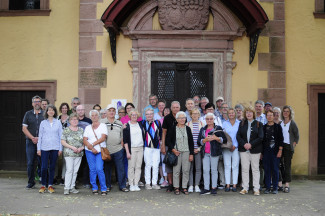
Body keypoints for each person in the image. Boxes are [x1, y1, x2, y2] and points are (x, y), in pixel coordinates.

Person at [236, 106, 264, 196]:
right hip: (243, 150)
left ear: (253, 114)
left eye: (250, 112)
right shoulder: (241, 124)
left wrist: (251, 144)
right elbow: (238, 136)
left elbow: (261, 137)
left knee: (255, 169)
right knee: (244, 169)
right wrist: (244, 144)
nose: (248, 114)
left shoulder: (259, 124)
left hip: (255, 150)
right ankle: (245, 188)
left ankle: (256, 188)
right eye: (247, 112)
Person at [198, 113, 227, 196]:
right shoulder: (203, 129)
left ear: (214, 119)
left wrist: (216, 138)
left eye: (211, 119)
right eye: (207, 119)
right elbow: (198, 142)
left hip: (214, 152)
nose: (209, 120)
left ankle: (214, 188)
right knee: (206, 170)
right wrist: (205, 140)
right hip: (205, 153)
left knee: (214, 170)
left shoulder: (218, 128)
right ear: (205, 120)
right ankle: (206, 188)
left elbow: (224, 140)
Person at [101, 104, 128, 192]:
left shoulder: (119, 123)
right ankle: (107, 186)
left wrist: (121, 146)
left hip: (118, 149)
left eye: (113, 111)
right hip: (106, 150)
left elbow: (122, 136)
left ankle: (122, 186)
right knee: (107, 169)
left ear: (115, 112)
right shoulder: (102, 122)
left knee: (120, 168)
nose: (112, 112)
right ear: (107, 112)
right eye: (110, 110)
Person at [37, 104, 63, 193]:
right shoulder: (43, 123)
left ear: (54, 112)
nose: (51, 111)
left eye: (52, 110)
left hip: (55, 147)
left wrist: (60, 148)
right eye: (49, 110)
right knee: (44, 167)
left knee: (52, 167)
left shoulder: (58, 122)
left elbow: (61, 136)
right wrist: (38, 149)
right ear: (46, 112)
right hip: (44, 147)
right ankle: (43, 185)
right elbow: (40, 136)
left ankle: (50, 185)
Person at [167, 111, 194, 195]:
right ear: (177, 119)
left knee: (186, 170)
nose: (182, 119)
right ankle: (176, 187)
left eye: (184, 118)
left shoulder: (188, 128)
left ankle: (184, 187)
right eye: (180, 118)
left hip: (186, 152)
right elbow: (168, 141)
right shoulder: (173, 128)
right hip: (177, 152)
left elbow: (191, 142)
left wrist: (191, 154)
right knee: (176, 171)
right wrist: (173, 149)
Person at [83, 110, 108, 195]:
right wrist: (91, 148)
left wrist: (93, 144)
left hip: (100, 151)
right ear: (90, 117)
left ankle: (104, 188)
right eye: (92, 115)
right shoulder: (87, 127)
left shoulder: (103, 126)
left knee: (99, 169)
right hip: (89, 151)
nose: (94, 117)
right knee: (92, 170)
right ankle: (94, 187)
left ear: (98, 116)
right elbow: (84, 140)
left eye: (96, 115)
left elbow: (103, 138)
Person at [22, 95, 44, 189]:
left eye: (38, 101)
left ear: (41, 103)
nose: (37, 103)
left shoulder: (45, 114)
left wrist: (39, 138)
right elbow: (24, 128)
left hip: (42, 142)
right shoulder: (28, 114)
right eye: (35, 101)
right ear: (32, 104)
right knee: (31, 162)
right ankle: (31, 182)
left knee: (43, 162)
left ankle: (44, 181)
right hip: (30, 142)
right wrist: (32, 138)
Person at [61, 113, 84, 195]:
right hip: (69, 153)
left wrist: (81, 148)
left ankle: (72, 187)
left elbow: (85, 142)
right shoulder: (66, 130)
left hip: (79, 154)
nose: (75, 121)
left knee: (75, 171)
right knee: (69, 170)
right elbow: (63, 142)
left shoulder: (81, 130)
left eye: (76, 119)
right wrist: (72, 147)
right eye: (73, 119)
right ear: (70, 121)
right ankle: (66, 188)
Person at [262, 110, 283, 194]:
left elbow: (281, 139)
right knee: (267, 170)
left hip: (275, 151)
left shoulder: (278, 127)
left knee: (275, 169)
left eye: (271, 115)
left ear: (274, 116)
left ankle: (275, 187)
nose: (269, 117)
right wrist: (261, 152)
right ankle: (267, 187)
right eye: (268, 115)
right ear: (266, 116)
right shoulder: (263, 127)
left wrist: (280, 150)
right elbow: (262, 141)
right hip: (266, 151)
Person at [123, 109, 145, 192]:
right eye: (132, 115)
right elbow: (125, 141)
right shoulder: (127, 126)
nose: (134, 116)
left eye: (135, 115)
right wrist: (127, 152)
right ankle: (131, 184)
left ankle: (136, 183)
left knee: (138, 167)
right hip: (132, 148)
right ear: (130, 116)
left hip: (140, 148)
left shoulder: (140, 124)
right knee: (131, 167)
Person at [161, 101, 180, 192]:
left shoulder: (182, 116)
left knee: (178, 165)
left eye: (177, 107)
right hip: (169, 144)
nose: (175, 109)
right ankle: (170, 184)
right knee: (169, 165)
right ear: (171, 108)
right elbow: (164, 132)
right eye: (174, 107)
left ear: (179, 108)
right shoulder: (167, 118)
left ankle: (177, 185)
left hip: (180, 145)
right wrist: (163, 145)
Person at [142, 108, 162, 190]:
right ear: (145, 115)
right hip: (147, 147)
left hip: (156, 147)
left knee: (156, 165)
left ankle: (154, 183)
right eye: (147, 114)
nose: (149, 115)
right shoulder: (142, 123)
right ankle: (147, 183)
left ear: (153, 115)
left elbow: (160, 133)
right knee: (148, 164)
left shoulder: (157, 122)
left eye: (151, 114)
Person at [280, 105, 299, 193]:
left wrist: (294, 144)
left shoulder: (292, 123)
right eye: (284, 111)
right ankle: (280, 183)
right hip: (280, 146)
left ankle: (287, 185)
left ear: (290, 113)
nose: (285, 113)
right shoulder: (280, 123)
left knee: (287, 165)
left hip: (288, 147)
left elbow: (296, 136)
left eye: (287, 111)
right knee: (279, 165)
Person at [186, 108, 204, 193]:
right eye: (193, 113)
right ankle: (190, 185)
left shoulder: (202, 124)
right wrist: (191, 149)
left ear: (199, 115)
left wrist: (198, 148)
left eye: (196, 113)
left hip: (199, 150)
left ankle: (196, 185)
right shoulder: (187, 124)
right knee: (190, 168)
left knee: (198, 168)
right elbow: (186, 139)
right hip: (190, 150)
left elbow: (204, 139)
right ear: (190, 115)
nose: (195, 115)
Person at [223, 108, 240, 192]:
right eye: (229, 113)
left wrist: (235, 145)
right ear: (227, 114)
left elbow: (240, 136)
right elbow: (223, 136)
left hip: (236, 148)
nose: (231, 114)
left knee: (235, 166)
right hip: (227, 148)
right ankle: (227, 184)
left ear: (235, 113)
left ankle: (234, 185)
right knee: (227, 166)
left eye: (233, 113)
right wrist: (228, 146)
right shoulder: (224, 123)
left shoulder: (239, 123)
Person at [76, 104, 92, 189]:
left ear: (84, 111)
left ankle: (86, 182)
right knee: (76, 164)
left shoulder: (89, 121)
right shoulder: (73, 120)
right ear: (76, 111)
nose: (80, 111)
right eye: (79, 110)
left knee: (86, 164)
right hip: (75, 146)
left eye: (82, 110)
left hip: (86, 145)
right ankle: (75, 181)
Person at [55, 102, 70, 185]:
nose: (64, 109)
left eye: (66, 108)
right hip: (57, 141)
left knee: (65, 160)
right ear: (61, 109)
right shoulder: (57, 118)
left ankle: (63, 177)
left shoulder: (70, 119)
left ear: (68, 109)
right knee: (55, 159)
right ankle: (55, 176)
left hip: (66, 141)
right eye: (63, 108)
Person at [158, 106, 171, 187]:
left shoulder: (173, 120)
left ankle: (171, 180)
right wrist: (161, 143)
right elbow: (159, 133)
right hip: (162, 143)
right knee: (163, 162)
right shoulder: (159, 121)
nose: (166, 112)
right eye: (165, 110)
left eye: (168, 110)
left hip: (171, 144)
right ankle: (165, 179)